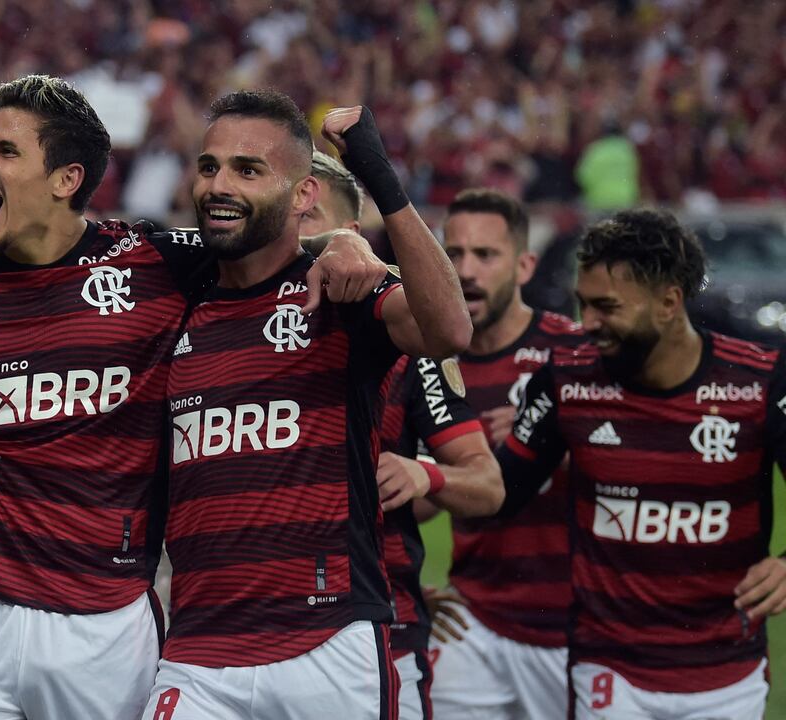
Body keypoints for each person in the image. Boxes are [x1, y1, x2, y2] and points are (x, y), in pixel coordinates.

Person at [0, 75, 381, 720]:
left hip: (102, 620)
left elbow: (256, 245)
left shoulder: (154, 261)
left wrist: (340, 242)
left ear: (66, 180)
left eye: (7, 152)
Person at [134, 92, 469, 719]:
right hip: (198, 649)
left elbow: (449, 329)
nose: (220, 185)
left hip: (329, 641)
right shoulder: (171, 294)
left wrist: (377, 183)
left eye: (248, 169)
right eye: (209, 167)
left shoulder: (342, 294)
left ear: (303, 195)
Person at [495, 208, 786, 719]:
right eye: (583, 305)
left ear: (670, 302)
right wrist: (430, 464)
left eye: (606, 307)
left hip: (727, 674)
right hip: (610, 669)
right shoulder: (565, 380)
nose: (588, 325)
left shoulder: (760, 383)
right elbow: (498, 491)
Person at [300, 151, 504, 720]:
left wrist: (423, 473)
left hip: (380, 634)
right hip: (236, 637)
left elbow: (487, 486)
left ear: (351, 236)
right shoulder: (218, 329)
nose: (294, 239)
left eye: (309, 220)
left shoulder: (408, 351)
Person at [427, 188, 583, 719]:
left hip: (577, 627)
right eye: (453, 254)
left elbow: (639, 465)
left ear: (524, 266)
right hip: (474, 619)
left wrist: (542, 446)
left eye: (485, 255)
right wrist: (401, 586)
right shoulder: (428, 365)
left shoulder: (575, 353)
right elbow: (404, 493)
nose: (465, 270)